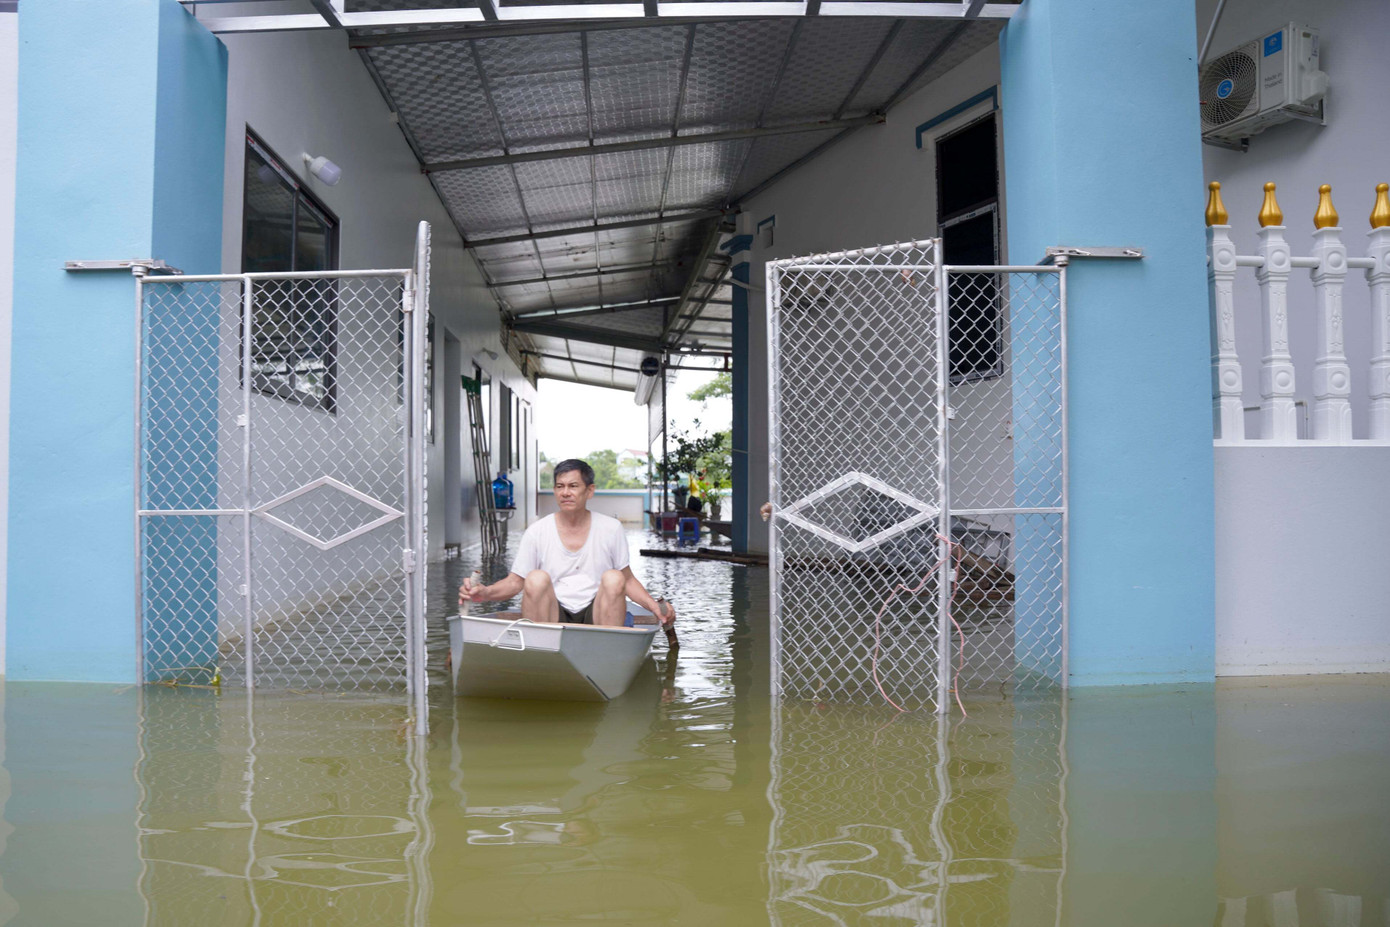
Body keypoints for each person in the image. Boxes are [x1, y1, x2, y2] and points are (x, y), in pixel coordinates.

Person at [459, 458, 677, 636]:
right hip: (553, 613)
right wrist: (485, 593)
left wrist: (654, 606)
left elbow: (627, 580)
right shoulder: (537, 531)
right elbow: (515, 582)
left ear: (589, 491)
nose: (565, 493)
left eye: (573, 486)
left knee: (614, 577)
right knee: (535, 578)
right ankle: (540, 649)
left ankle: (607, 650)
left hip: (597, 614)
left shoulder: (611, 528)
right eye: (560, 486)